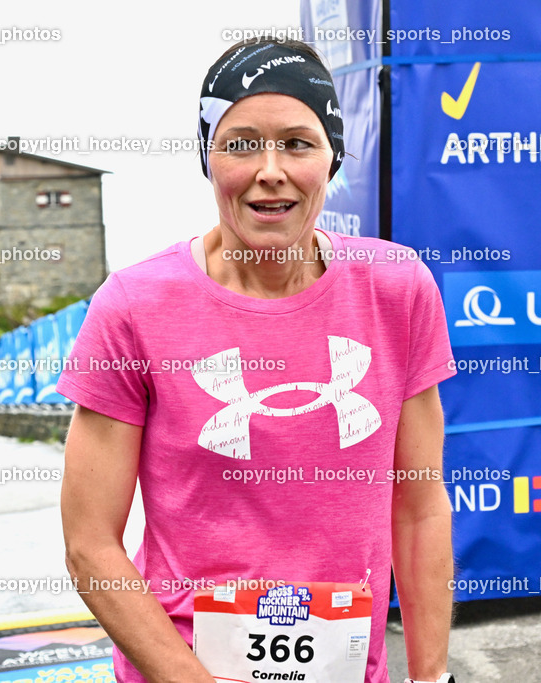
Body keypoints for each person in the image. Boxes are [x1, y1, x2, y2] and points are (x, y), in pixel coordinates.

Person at [58, 39, 455, 683]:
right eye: (241, 143)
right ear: (208, 159)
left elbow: (418, 506)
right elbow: (90, 544)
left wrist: (433, 676)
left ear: (332, 158)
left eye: (298, 143)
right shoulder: (133, 306)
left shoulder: (397, 287)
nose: (271, 169)